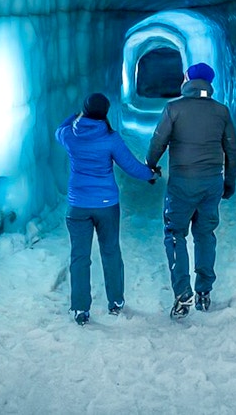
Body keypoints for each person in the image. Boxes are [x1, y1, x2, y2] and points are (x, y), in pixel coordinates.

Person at [55, 92, 158, 326]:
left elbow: (59, 129)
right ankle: (116, 301)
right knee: (110, 251)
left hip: (78, 205)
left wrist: (76, 115)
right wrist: (150, 174)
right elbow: (131, 165)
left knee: (79, 257)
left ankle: (80, 308)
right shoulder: (111, 138)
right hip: (106, 204)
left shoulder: (70, 135)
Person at [146, 62, 236, 319]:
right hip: (211, 183)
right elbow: (232, 149)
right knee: (205, 234)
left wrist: (150, 167)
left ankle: (182, 291)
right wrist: (229, 181)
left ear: (188, 79)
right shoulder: (221, 111)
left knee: (175, 233)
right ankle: (204, 291)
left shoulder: (174, 109)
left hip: (182, 183)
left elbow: (158, 141)